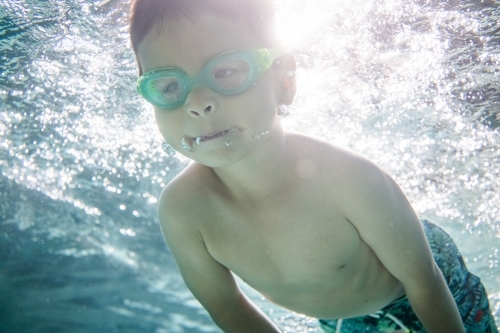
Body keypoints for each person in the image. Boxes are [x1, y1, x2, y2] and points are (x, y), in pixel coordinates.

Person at [128, 0, 498, 332]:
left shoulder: (348, 179)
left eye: (226, 71)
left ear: (285, 79)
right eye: (168, 87)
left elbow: (425, 281)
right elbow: (226, 306)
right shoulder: (183, 212)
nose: (198, 103)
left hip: (433, 283)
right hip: (344, 321)